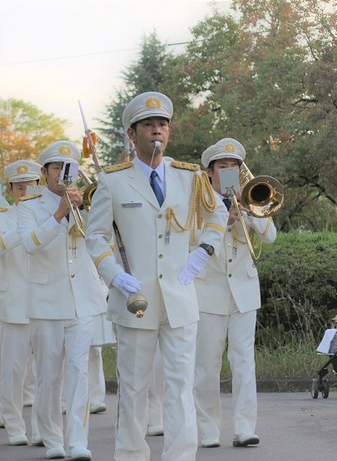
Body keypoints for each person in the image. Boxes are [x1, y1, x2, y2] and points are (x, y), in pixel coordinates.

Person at [85, 91, 229, 461]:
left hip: (180, 297)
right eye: (148, 125)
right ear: (132, 134)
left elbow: (218, 217)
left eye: (162, 124)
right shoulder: (112, 182)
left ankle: (181, 456)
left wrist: (202, 254)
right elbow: (96, 237)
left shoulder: (191, 178)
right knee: (133, 386)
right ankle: (131, 455)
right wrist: (114, 276)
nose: (156, 131)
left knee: (181, 385)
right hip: (135, 300)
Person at [17, 141, 108, 461]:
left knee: (78, 371)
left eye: (67, 167)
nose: (62, 173)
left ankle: (78, 441)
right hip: (46, 300)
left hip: (82, 298)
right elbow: (29, 244)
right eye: (56, 167)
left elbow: (102, 238)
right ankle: (52, 438)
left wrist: (83, 208)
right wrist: (59, 214)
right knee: (48, 374)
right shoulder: (28, 205)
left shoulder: (86, 201)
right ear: (44, 173)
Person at [193, 138, 277, 449]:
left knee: (244, 362)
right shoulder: (197, 203)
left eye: (234, 167)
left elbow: (270, 237)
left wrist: (252, 212)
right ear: (210, 172)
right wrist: (222, 219)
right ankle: (208, 430)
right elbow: (192, 244)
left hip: (244, 291)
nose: (229, 171)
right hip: (208, 292)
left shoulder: (251, 200)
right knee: (207, 365)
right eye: (223, 167)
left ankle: (245, 428)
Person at [0, 159, 41, 446]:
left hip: (46, 300)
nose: (26, 192)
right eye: (20, 188)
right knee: (13, 371)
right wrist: (22, 226)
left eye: (31, 186)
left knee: (48, 371)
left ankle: (44, 428)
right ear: (10, 189)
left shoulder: (52, 214)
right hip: (14, 302)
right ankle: (15, 426)